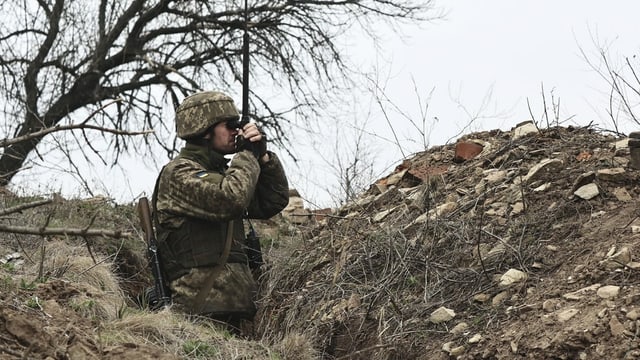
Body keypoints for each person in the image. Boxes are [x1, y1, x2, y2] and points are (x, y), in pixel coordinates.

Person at [152, 91, 289, 330]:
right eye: (229, 125)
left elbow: (273, 201)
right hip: (197, 315)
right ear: (204, 130)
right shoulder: (179, 174)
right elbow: (231, 199)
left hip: (235, 311)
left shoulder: (224, 175)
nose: (237, 131)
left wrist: (264, 158)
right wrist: (247, 155)